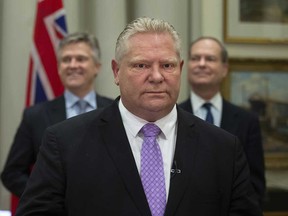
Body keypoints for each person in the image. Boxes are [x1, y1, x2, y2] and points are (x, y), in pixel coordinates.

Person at [15, 17, 262, 216]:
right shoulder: (65, 142)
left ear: (180, 69)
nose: (156, 76)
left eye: (167, 65)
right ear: (116, 71)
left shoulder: (224, 148)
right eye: (141, 65)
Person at [1, 32, 114, 198]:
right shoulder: (35, 116)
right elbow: (12, 174)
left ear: (97, 66)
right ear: (59, 67)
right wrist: (46, 198)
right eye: (66, 60)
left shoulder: (115, 110)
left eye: (80, 59)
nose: (72, 65)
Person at [179, 36, 266, 207]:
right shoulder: (170, 116)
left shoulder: (247, 121)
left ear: (224, 69)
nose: (201, 64)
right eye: (195, 58)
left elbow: (255, 184)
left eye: (210, 59)